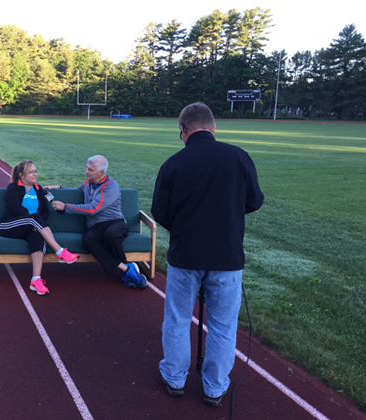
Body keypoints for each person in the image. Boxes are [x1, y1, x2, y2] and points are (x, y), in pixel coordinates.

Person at [151, 103, 264, 407]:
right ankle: (214, 387)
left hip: (185, 255)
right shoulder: (238, 156)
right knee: (223, 325)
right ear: (213, 128)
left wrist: (186, 226)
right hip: (226, 256)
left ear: (182, 131)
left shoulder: (173, 163)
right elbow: (254, 200)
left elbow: (159, 211)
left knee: (176, 319)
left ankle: (175, 377)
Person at [47, 155, 147, 289]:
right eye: (87, 168)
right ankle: (127, 268)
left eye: (90, 170)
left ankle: (126, 273)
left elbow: (94, 208)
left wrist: (65, 207)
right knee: (88, 240)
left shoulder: (111, 186)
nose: (86, 172)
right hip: (96, 226)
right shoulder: (88, 183)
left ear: (101, 172)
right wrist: (59, 187)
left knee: (110, 235)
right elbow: (77, 192)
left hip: (115, 222)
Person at [0, 160, 79, 296]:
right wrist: (35, 221)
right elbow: (16, 208)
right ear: (21, 175)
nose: (35, 174)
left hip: (30, 227)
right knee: (34, 217)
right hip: (9, 225)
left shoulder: (39, 190)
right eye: (31, 172)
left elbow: (45, 212)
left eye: (36, 171)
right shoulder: (13, 187)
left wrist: (37, 224)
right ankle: (59, 251)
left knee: (37, 236)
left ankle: (36, 280)